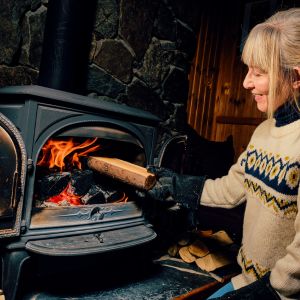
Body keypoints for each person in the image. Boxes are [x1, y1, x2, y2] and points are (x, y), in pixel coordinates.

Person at [145, 8, 300, 300]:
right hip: (246, 280)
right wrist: (176, 186)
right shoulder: (264, 132)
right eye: (247, 70)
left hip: (275, 295)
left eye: (259, 72)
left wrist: (265, 292)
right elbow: (231, 190)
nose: (245, 83)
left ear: (295, 78)